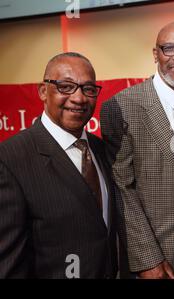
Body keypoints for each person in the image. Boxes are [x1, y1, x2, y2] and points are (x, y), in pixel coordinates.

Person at [100, 22, 174, 279]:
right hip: (151, 258)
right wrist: (148, 259)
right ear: (156, 54)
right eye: (169, 48)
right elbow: (123, 190)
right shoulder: (121, 107)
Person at [0, 52, 118, 278]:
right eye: (66, 87)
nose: (79, 98)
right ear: (43, 91)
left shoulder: (102, 150)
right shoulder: (10, 159)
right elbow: (8, 263)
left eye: (88, 89)